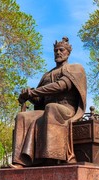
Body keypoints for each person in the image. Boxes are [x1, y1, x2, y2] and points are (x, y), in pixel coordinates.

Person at [10, 37, 87, 168]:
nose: (58, 53)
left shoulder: (75, 68)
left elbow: (61, 86)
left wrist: (34, 92)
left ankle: (51, 157)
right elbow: (40, 100)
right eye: (56, 51)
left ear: (68, 53)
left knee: (51, 108)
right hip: (47, 110)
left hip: (66, 109)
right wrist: (28, 95)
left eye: (61, 50)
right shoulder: (46, 75)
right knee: (22, 116)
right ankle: (20, 161)